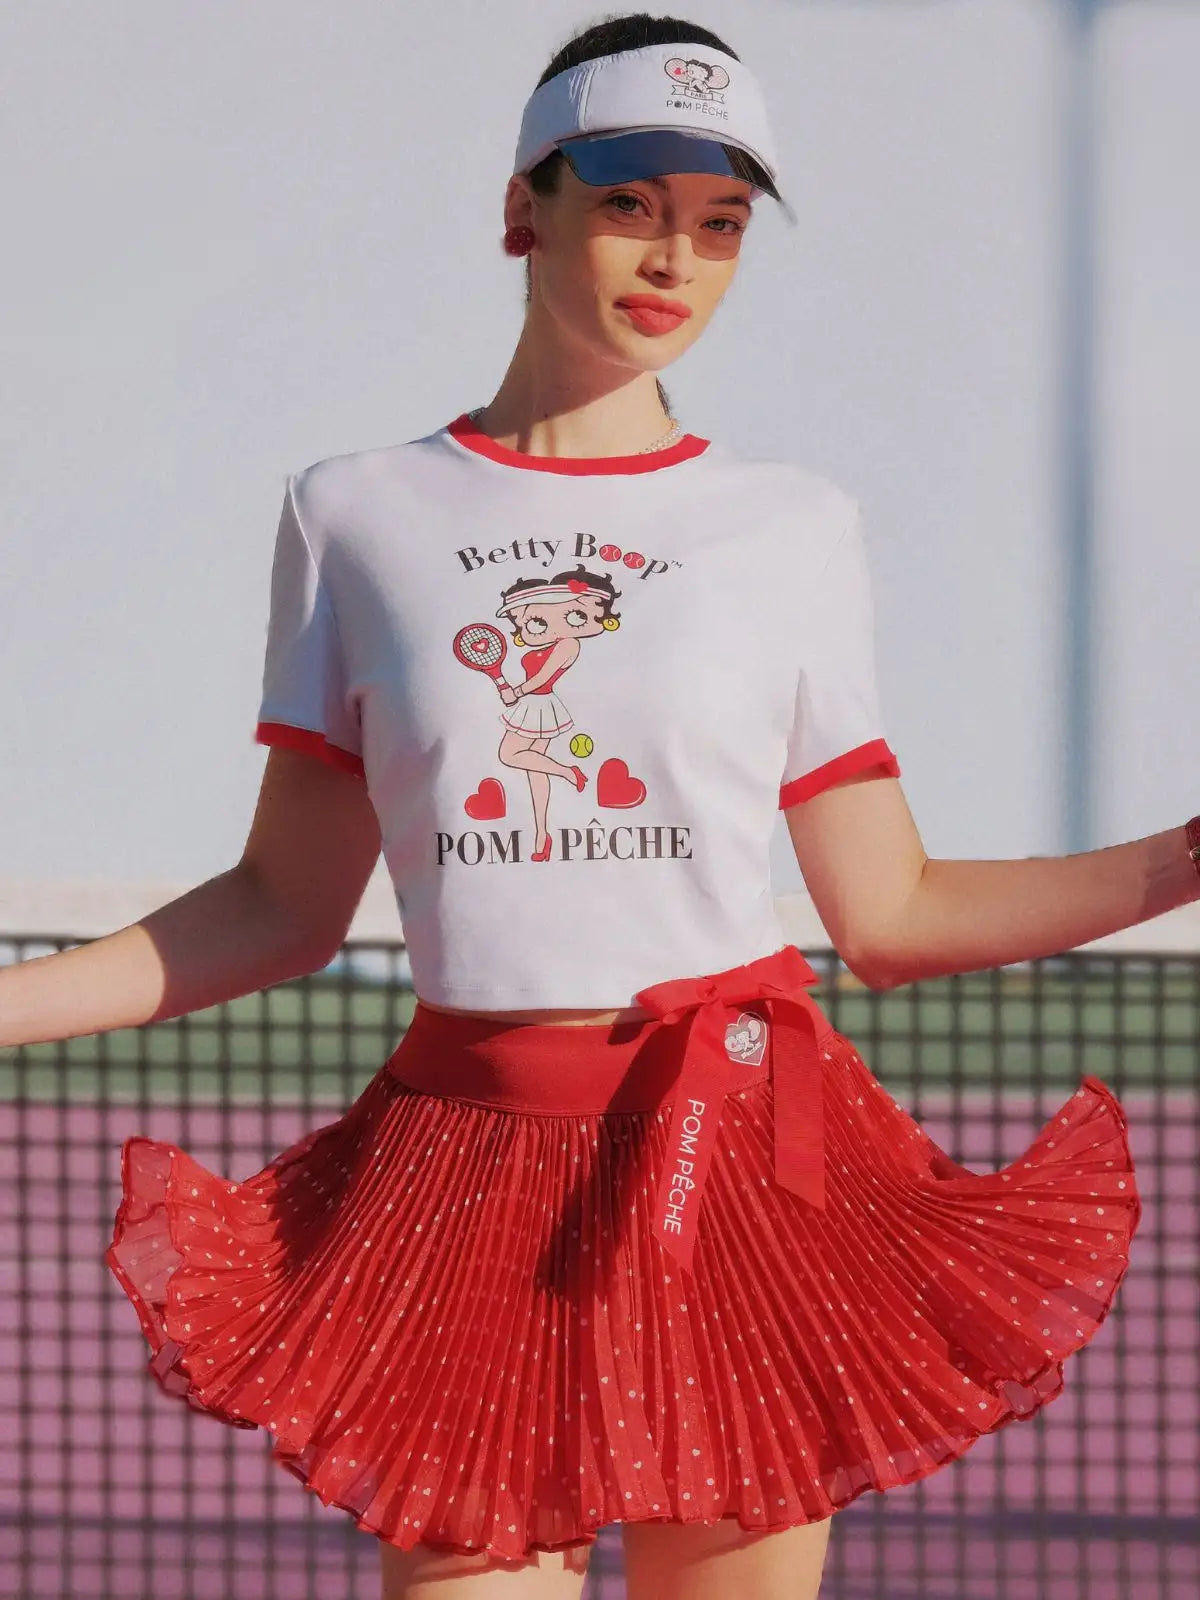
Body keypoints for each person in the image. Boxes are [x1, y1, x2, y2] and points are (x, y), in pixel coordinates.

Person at [4, 12, 1198, 1600]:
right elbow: (280, 909)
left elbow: (892, 916)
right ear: (525, 210)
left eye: (719, 223)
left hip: (754, 1176)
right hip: (461, 1181)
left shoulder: (794, 528)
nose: (675, 258)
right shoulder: (354, 513)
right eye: (632, 202)